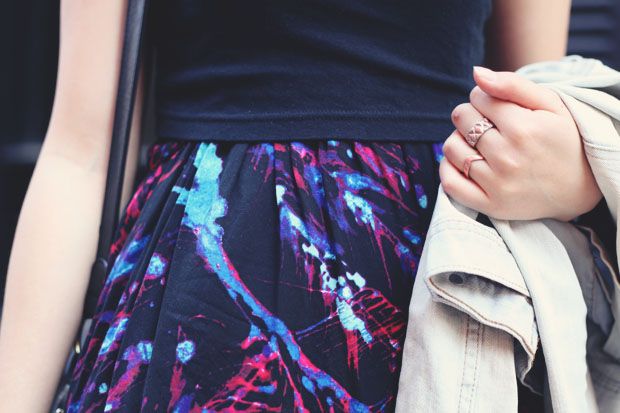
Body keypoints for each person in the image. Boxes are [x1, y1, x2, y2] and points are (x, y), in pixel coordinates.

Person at [0, 0, 599, 411]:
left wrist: (578, 178)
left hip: (440, 288)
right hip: (205, 287)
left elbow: (526, 114)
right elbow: (80, 155)